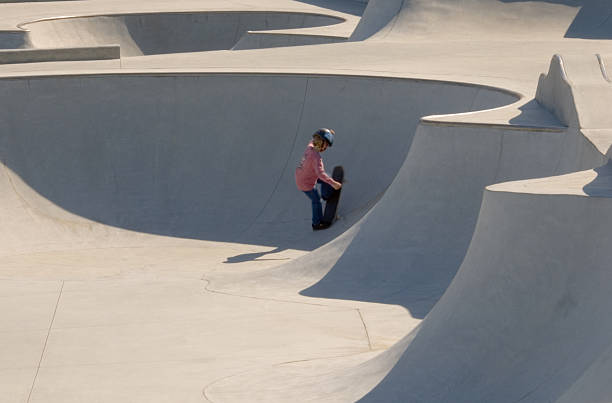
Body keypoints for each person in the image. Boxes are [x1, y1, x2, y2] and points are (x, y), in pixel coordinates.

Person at [295, 128, 342, 231]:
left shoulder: (310, 146)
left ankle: (326, 194)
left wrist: (328, 134)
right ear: (321, 144)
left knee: (326, 177)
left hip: (302, 176)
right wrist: (334, 183)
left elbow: (316, 137)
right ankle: (316, 224)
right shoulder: (316, 158)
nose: (325, 148)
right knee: (316, 201)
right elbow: (320, 174)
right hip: (306, 185)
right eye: (325, 146)